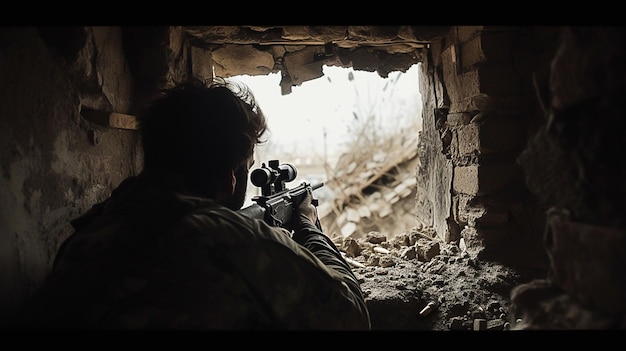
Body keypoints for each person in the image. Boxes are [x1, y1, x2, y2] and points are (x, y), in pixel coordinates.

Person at [16, 77, 371, 330]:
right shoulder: (225, 238)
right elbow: (352, 315)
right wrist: (308, 224)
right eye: (246, 168)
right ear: (229, 175)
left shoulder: (94, 228)